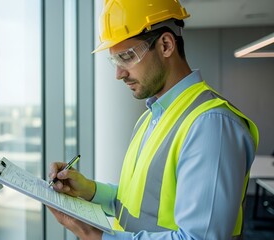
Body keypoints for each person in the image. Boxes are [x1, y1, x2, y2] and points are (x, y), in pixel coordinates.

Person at [47, 0, 259, 239]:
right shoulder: (151, 117)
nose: (119, 74)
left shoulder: (211, 124)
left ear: (166, 45)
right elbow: (140, 203)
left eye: (126, 56)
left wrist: (95, 235)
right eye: (115, 61)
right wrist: (90, 190)